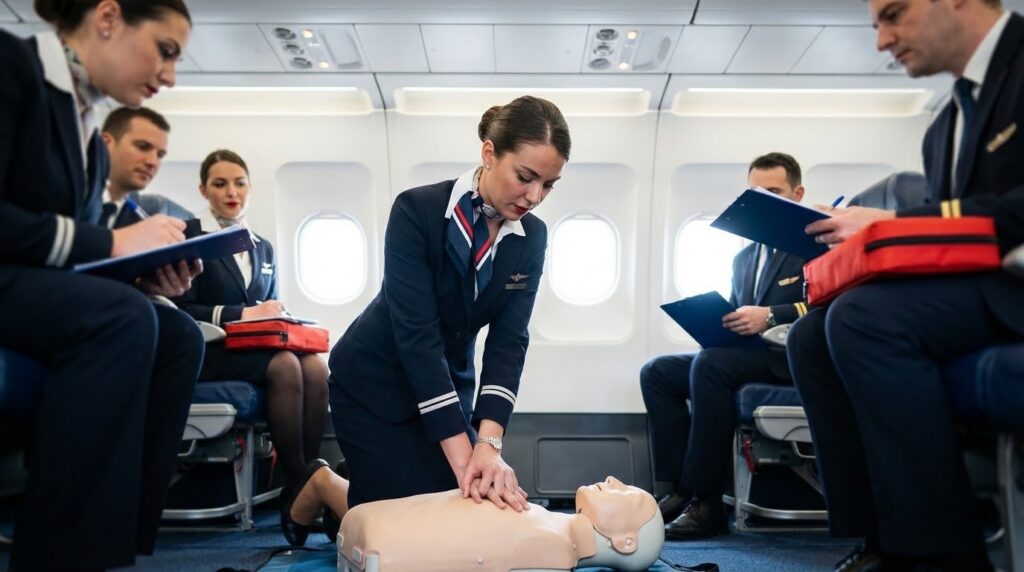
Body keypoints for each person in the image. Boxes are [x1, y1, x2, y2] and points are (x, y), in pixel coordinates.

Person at [787, 1, 1024, 570]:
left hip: (1015, 286)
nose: (881, 41)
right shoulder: (944, 127)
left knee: (863, 319)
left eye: (893, 14)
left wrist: (895, 225)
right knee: (811, 335)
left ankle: (940, 554)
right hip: (978, 290)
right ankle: (869, 541)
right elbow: (952, 236)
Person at [0, 0, 203, 570]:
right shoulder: (11, 67)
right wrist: (113, 246)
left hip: (32, 285)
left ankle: (119, 544)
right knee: (122, 318)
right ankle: (58, 553)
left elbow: (75, 253)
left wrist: (145, 273)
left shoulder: (89, 135)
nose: (169, 75)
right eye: (165, 51)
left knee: (177, 333)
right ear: (107, 18)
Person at [327, 96, 570, 520]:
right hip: (374, 382)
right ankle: (323, 485)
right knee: (402, 523)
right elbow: (416, 337)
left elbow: (509, 342)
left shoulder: (531, 237)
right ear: (490, 153)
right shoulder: (416, 211)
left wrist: (487, 447)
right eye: (526, 177)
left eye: (548, 185)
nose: (534, 196)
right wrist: (465, 462)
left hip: (445, 390)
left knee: (464, 515)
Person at [640, 152, 810, 539]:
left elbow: (823, 306)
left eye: (774, 192)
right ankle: (672, 491)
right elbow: (739, 315)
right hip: (749, 355)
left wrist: (770, 315)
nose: (763, 202)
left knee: (711, 365)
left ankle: (707, 502)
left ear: (797, 194)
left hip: (790, 359)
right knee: (658, 373)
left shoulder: (812, 246)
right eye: (755, 194)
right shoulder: (744, 256)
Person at [171, 149, 329, 542]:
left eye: (239, 182)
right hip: (207, 351)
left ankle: (311, 477)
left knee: (315, 367)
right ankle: (296, 484)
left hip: (249, 350)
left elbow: (265, 309)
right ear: (203, 189)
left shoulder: (263, 247)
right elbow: (180, 308)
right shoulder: (189, 236)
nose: (231, 192)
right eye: (220, 183)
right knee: (285, 366)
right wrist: (242, 314)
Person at [284, 466, 662, 572]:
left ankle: (329, 481)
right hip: (390, 521)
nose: (615, 481)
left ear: (625, 541)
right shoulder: (549, 523)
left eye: (628, 494)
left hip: (385, 535)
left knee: (381, 502)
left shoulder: (556, 550)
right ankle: (334, 479)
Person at [98, 106, 172, 227]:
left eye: (160, 155)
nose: (152, 162)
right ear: (105, 143)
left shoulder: (142, 227)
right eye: (143, 147)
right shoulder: (63, 196)